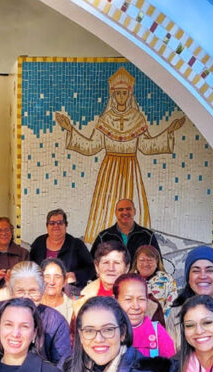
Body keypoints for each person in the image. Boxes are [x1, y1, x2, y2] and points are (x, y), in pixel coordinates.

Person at [55, 66, 185, 243]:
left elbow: (147, 146)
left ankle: (136, 240)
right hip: (110, 169)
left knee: (130, 204)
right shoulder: (106, 119)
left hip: (131, 168)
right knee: (106, 206)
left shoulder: (137, 118)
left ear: (129, 94)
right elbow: (91, 146)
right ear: (113, 95)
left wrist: (169, 131)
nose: (121, 97)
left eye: (124, 93)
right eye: (118, 94)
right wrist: (70, 129)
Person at [0, 261, 72, 369]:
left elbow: (63, 368)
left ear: (42, 290)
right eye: (20, 291)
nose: (26, 297)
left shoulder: (55, 321)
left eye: (33, 291)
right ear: (10, 290)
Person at [166, 246, 213, 349]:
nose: (202, 276)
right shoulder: (176, 314)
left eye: (209, 270)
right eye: (196, 271)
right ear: (189, 278)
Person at [28, 208, 94, 288]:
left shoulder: (77, 245)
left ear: (66, 225)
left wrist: (75, 275)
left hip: (69, 292)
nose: (56, 226)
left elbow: (91, 268)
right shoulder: (38, 243)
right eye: (52, 223)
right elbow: (30, 266)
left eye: (60, 223)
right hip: (42, 290)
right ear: (47, 226)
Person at [114, 273, 175, 358]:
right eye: (128, 299)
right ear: (115, 301)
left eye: (141, 299)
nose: (136, 306)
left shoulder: (158, 334)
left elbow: (171, 367)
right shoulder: (108, 332)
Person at [90, 199, 162, 261]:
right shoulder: (104, 236)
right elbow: (92, 262)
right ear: (116, 213)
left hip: (140, 277)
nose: (125, 212)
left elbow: (158, 262)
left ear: (134, 211)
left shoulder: (148, 235)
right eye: (121, 210)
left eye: (128, 209)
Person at [73, 239, 130, 315]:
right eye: (106, 262)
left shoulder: (139, 294)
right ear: (96, 267)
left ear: (127, 268)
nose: (111, 268)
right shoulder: (84, 297)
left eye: (117, 263)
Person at [131, 244, 178, 313]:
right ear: (136, 262)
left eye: (149, 260)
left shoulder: (167, 280)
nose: (145, 264)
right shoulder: (127, 281)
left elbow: (172, 305)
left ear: (157, 262)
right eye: (141, 260)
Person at [40, 257, 74, 323]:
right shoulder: (32, 304)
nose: (51, 282)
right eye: (47, 277)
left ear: (64, 281)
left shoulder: (73, 307)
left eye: (57, 277)